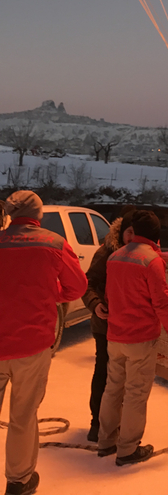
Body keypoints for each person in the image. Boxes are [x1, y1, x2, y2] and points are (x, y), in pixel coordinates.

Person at [0, 190, 87, 495]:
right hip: (32, 345)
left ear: (10, 214)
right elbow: (77, 286)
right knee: (22, 416)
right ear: (38, 215)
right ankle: (19, 481)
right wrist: (52, 295)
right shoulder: (53, 243)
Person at [97, 210, 168, 467]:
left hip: (115, 336)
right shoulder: (152, 260)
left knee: (113, 388)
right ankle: (128, 449)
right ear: (156, 234)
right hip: (141, 339)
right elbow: (162, 303)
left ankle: (106, 441)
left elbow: (110, 296)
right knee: (135, 393)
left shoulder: (114, 257)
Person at [81, 209, 136, 442]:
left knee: (123, 377)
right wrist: (96, 305)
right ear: (121, 232)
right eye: (129, 233)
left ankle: (117, 421)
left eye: (137, 233)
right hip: (105, 326)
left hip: (129, 328)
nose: (132, 238)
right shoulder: (106, 252)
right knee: (104, 372)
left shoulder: (142, 255)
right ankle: (97, 422)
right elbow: (87, 284)